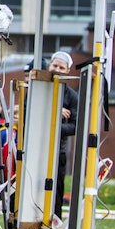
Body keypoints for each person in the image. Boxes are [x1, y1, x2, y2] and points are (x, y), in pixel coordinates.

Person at [48, 51, 79, 220]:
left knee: (56, 196)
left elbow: (75, 126)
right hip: (35, 150)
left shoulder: (72, 96)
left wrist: (54, 127)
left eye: (61, 67)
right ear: (49, 66)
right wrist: (54, 111)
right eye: (55, 66)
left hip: (57, 152)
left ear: (67, 71)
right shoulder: (37, 88)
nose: (57, 69)